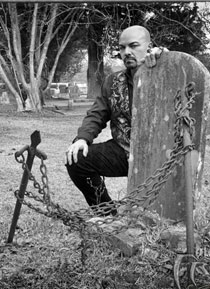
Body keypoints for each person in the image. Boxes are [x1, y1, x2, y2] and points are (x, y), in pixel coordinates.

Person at [65, 25, 166, 216]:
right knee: (76, 160)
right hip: (123, 151)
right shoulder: (113, 81)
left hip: (160, 155)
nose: (127, 52)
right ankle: (107, 215)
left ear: (149, 46)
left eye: (134, 45)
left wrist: (167, 60)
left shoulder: (167, 74)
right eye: (122, 47)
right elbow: (97, 113)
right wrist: (82, 139)